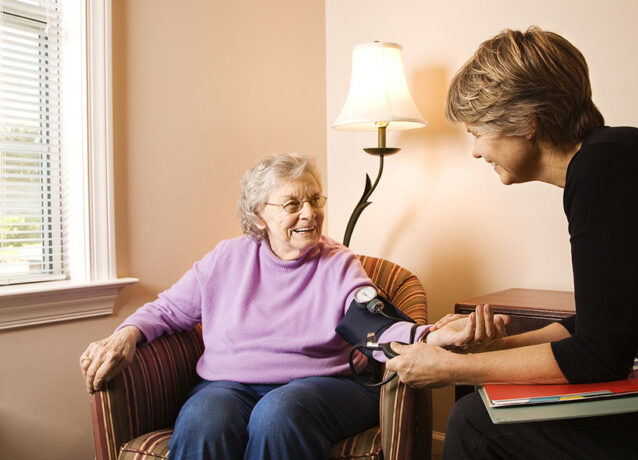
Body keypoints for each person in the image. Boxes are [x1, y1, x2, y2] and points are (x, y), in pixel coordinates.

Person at [386, 26, 638, 459]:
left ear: (527, 121)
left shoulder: (606, 168)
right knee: (480, 414)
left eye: (477, 131)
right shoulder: (612, 158)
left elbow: (598, 357)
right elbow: (603, 326)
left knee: (476, 422)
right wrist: (492, 346)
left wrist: (453, 368)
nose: (475, 151)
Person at [79, 153, 505, 460]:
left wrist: (431, 335)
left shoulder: (337, 264)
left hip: (323, 388)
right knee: (204, 419)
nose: (310, 214)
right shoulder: (225, 260)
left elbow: (374, 323)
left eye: (315, 200)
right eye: (292, 204)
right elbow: (167, 309)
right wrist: (125, 335)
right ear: (258, 215)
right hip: (228, 386)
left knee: (278, 413)